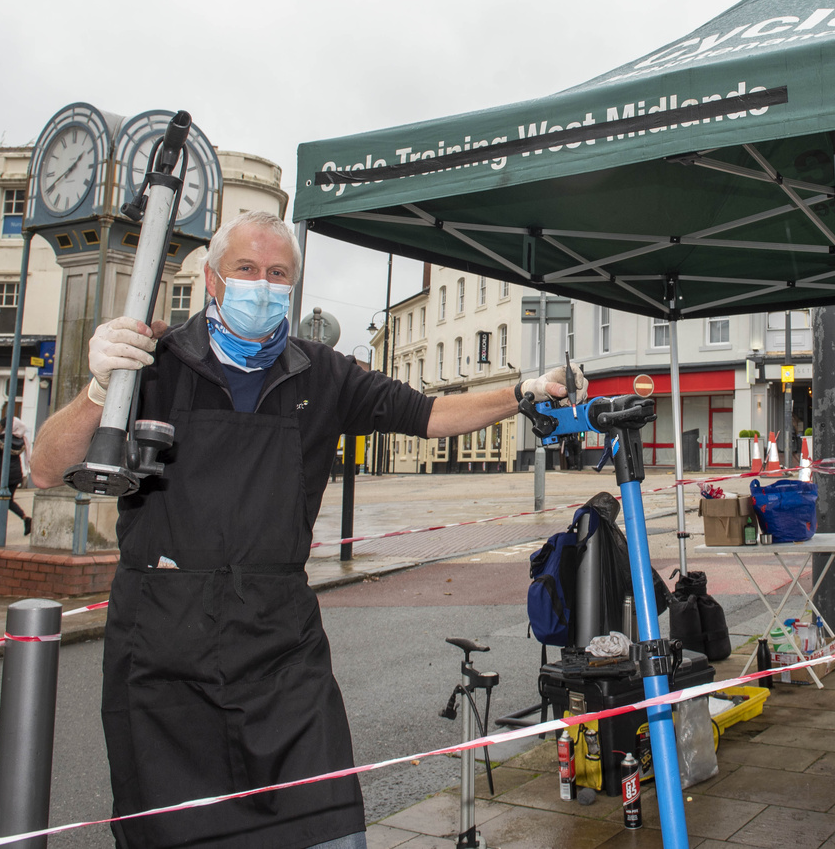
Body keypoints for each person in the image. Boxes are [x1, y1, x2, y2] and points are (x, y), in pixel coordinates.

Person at [31, 210, 585, 849]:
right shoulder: (153, 364)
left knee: (327, 830)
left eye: (278, 275)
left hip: (278, 648)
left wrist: (526, 391)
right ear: (213, 281)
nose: (261, 285)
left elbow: (429, 413)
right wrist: (101, 388)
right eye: (246, 269)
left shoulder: (322, 373)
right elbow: (46, 468)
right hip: (162, 651)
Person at [0, 415, 32, 536]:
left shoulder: (0, 440)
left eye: (0, 426)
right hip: (14, 475)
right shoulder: (20, 441)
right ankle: (25, 518)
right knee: (9, 500)